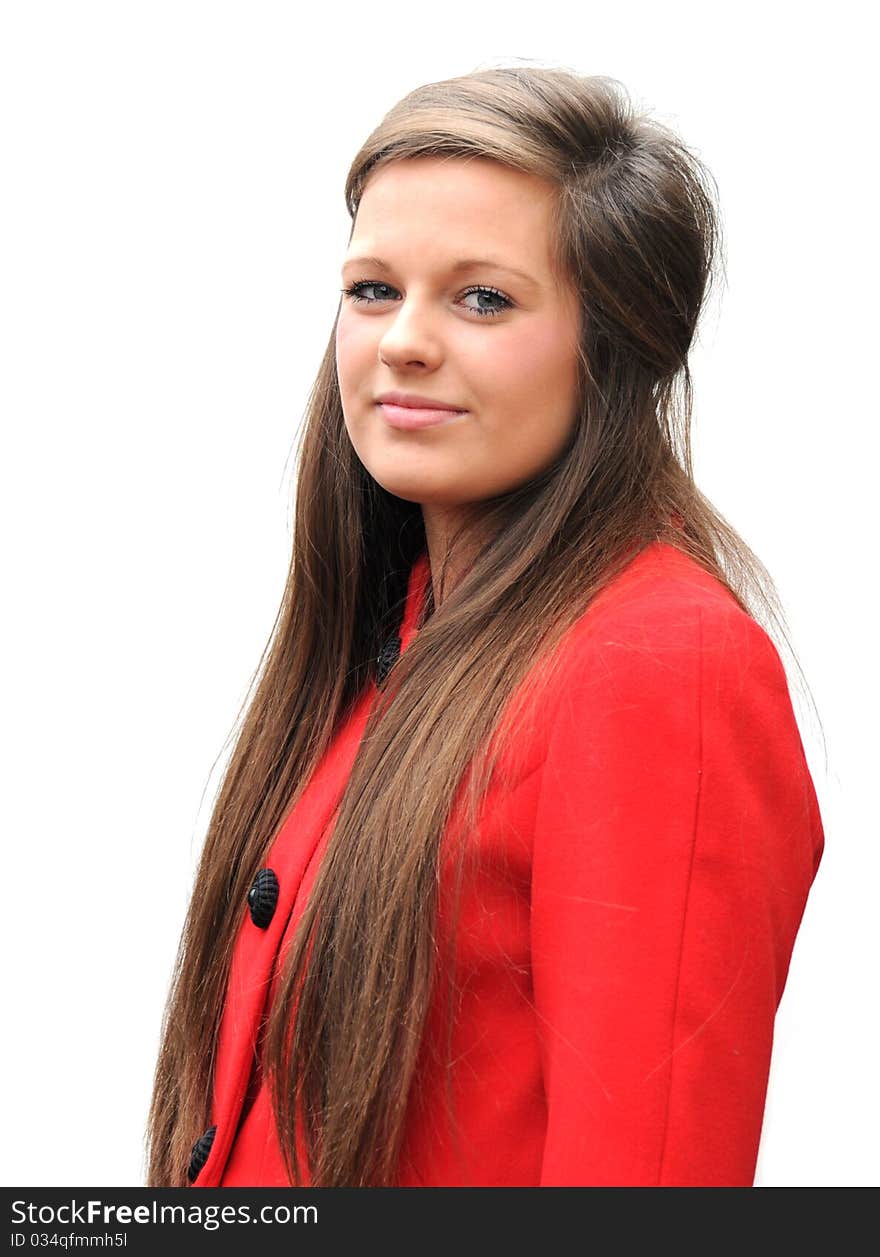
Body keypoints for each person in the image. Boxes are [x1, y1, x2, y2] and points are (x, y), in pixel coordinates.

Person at [146, 64, 825, 1188]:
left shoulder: (658, 666)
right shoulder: (397, 634)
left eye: (482, 298)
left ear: (617, 347)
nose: (401, 342)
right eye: (372, 289)